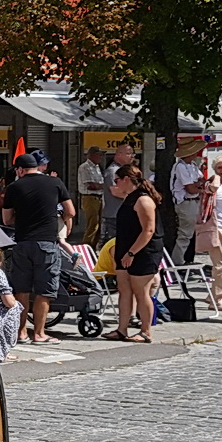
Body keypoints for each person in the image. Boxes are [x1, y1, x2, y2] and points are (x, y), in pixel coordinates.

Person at [1, 152, 75, 344]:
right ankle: (40, 334)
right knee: (44, 291)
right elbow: (71, 211)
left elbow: (6, 219)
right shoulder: (55, 183)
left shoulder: (13, 187)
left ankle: (21, 332)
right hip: (47, 243)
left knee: (21, 290)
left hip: (23, 242)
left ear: (19, 169)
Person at [106, 164, 162, 342]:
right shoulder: (129, 198)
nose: (116, 185)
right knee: (124, 290)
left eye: (117, 181)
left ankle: (145, 331)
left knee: (141, 291)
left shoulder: (143, 200)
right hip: (125, 248)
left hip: (143, 251)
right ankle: (122, 329)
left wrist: (131, 253)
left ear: (126, 180)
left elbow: (149, 230)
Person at [195, 154, 222, 317]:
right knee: (221, 264)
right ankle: (218, 299)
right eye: (220, 167)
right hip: (217, 227)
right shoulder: (212, 183)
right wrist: (215, 177)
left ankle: (213, 295)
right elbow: (211, 189)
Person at [168, 137, 207, 262]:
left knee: (189, 234)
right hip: (185, 202)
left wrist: (197, 185)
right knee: (185, 234)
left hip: (192, 201)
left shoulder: (193, 165)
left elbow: (200, 180)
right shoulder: (180, 167)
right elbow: (190, 188)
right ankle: (177, 262)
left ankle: (183, 259)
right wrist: (201, 189)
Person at [99, 141, 136, 243]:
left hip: (123, 214)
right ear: (119, 154)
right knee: (113, 245)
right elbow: (116, 191)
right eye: (129, 153)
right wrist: (135, 198)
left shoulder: (124, 170)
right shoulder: (113, 171)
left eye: (133, 153)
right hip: (114, 216)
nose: (132, 156)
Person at [75, 146, 104, 245]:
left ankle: (93, 246)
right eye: (99, 155)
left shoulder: (97, 167)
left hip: (99, 197)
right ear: (92, 155)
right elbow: (91, 186)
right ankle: (86, 245)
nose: (101, 157)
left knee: (98, 224)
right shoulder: (85, 167)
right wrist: (104, 186)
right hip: (90, 197)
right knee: (92, 224)